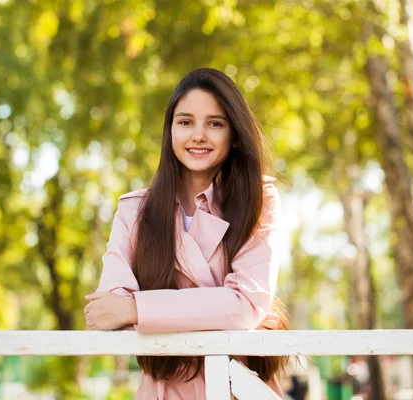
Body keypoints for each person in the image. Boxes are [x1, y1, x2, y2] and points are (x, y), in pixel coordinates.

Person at [84, 68, 289, 399]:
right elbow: (108, 311)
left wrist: (138, 309)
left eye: (215, 123)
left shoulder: (259, 201)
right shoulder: (134, 211)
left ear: (234, 134)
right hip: (162, 389)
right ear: (169, 132)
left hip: (240, 386)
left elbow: (245, 304)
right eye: (185, 122)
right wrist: (226, 309)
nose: (198, 135)